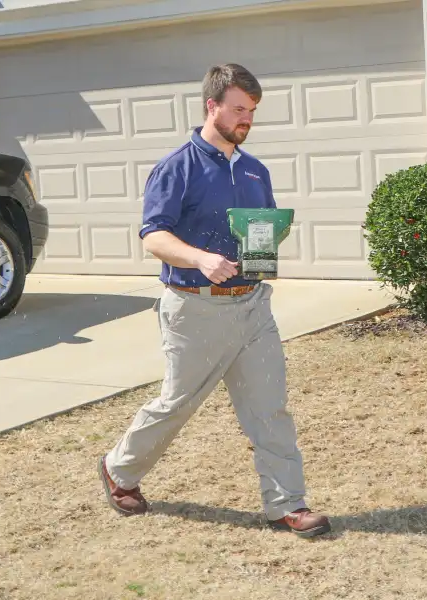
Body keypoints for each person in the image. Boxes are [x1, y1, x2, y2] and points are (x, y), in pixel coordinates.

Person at [98, 63, 331, 539]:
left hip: (252, 307)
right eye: (239, 109)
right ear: (213, 106)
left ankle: (287, 504)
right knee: (177, 403)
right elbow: (153, 236)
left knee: (270, 408)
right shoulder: (177, 167)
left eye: (252, 112)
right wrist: (201, 258)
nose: (247, 120)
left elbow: (260, 231)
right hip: (195, 308)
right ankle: (119, 470)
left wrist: (262, 256)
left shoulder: (253, 170)